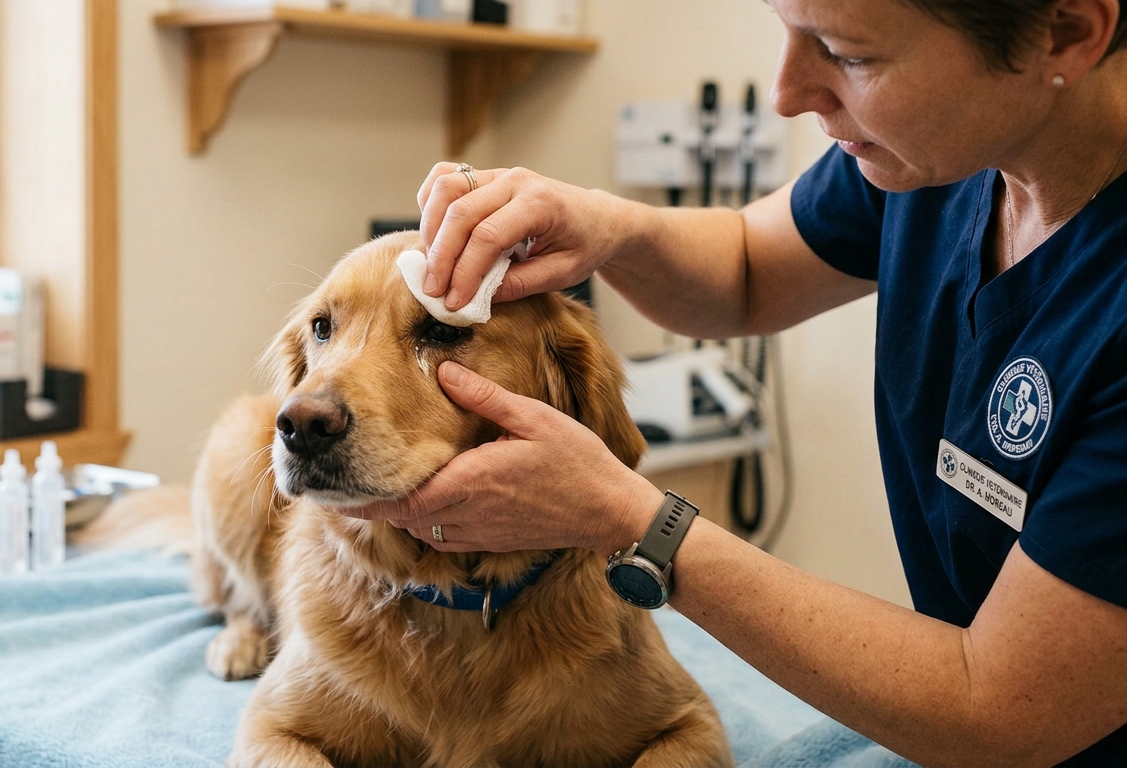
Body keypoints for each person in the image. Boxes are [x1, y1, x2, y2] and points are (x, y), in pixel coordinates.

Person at [340, 0, 1127, 764]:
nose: (786, 95)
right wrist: (610, 225)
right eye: (788, 31)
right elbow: (749, 268)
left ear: (1065, 33)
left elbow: (997, 716)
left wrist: (631, 520)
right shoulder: (940, 160)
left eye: (850, 54)